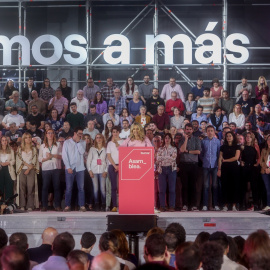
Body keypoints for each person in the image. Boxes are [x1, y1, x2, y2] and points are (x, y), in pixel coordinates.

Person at [62, 127, 86, 212]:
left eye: (81, 134)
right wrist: (68, 167)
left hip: (80, 168)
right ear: (75, 133)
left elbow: (82, 152)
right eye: (79, 134)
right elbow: (64, 156)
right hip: (70, 168)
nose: (80, 135)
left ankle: (82, 206)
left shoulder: (83, 142)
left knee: (81, 188)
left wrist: (78, 142)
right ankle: (67, 206)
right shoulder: (67, 142)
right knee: (69, 188)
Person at [39, 129, 62, 212]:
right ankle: (44, 205)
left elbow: (61, 156)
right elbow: (40, 158)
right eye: (49, 133)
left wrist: (52, 155)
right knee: (45, 187)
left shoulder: (58, 144)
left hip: (55, 168)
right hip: (46, 168)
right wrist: (47, 158)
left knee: (57, 187)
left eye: (52, 133)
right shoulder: (42, 146)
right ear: (46, 134)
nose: (50, 134)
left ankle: (58, 205)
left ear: (54, 134)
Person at [179, 123, 201, 211]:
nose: (188, 131)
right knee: (184, 186)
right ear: (185, 130)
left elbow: (198, 151)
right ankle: (185, 205)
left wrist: (187, 151)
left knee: (193, 185)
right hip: (184, 164)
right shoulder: (182, 139)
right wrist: (186, 140)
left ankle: (193, 205)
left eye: (190, 129)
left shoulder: (196, 139)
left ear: (193, 130)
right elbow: (181, 150)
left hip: (194, 165)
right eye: (187, 129)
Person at [217, 131, 241, 211]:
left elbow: (236, 158)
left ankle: (234, 205)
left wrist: (225, 160)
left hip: (234, 168)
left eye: (230, 136)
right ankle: (226, 205)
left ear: (233, 137)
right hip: (224, 168)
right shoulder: (223, 147)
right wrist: (219, 169)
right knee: (225, 186)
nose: (228, 137)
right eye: (227, 136)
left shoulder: (237, 147)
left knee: (234, 186)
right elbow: (220, 158)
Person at [16, 133, 39, 211]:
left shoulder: (34, 149)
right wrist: (26, 165)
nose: (28, 139)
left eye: (29, 137)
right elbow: (19, 159)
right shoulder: (20, 148)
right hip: (22, 169)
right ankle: (22, 205)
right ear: (24, 139)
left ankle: (30, 205)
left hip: (31, 170)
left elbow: (35, 159)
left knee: (30, 188)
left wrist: (29, 168)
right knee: (21, 188)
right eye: (26, 138)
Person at [201, 125, 221, 211]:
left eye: (211, 131)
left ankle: (215, 204)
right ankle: (205, 205)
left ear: (214, 131)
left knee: (215, 185)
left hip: (215, 165)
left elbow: (219, 154)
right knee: (205, 185)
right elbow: (201, 154)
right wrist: (204, 160)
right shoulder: (203, 141)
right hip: (205, 165)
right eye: (208, 131)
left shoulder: (217, 141)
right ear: (206, 132)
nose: (210, 132)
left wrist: (218, 165)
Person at [156, 133, 177, 212]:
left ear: (171, 139)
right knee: (162, 189)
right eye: (166, 138)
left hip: (171, 169)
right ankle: (162, 206)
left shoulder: (174, 148)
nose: (167, 140)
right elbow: (158, 159)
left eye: (169, 138)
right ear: (164, 140)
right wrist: (168, 157)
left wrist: (163, 158)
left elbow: (173, 158)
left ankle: (171, 206)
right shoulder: (160, 149)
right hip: (162, 169)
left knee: (172, 189)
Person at [241, 132, 260, 211]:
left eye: (249, 137)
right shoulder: (242, 147)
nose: (248, 138)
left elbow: (259, 157)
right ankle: (244, 204)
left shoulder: (255, 146)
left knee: (254, 186)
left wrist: (257, 164)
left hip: (253, 168)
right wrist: (241, 162)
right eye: (247, 137)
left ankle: (256, 204)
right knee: (244, 187)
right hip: (245, 168)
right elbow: (240, 157)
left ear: (252, 138)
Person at [107, 127, 123, 212]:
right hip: (112, 166)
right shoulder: (109, 143)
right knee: (114, 186)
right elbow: (108, 156)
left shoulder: (123, 142)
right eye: (113, 132)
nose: (115, 133)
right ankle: (114, 205)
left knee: (122, 187)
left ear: (119, 132)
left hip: (122, 165)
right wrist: (114, 166)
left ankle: (123, 204)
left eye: (116, 132)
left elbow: (124, 153)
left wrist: (120, 165)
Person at [0, 136, 16, 201]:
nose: (4, 142)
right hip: (0, 170)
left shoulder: (11, 150)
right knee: (0, 188)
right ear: (1, 142)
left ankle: (9, 205)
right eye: (3, 140)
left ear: (7, 142)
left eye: (5, 140)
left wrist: (8, 163)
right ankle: (1, 205)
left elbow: (13, 161)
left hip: (8, 170)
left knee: (9, 188)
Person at [260, 134, 270, 211]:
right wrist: (266, 168)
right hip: (265, 171)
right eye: (268, 140)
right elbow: (261, 161)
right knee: (267, 188)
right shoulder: (264, 150)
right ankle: (268, 205)